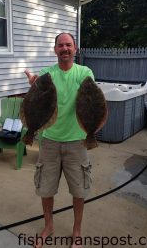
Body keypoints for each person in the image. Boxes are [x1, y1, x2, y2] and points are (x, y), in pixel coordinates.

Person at [24, 32, 94, 248]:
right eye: (60, 45)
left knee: (79, 191)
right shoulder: (46, 74)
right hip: (49, 142)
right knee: (46, 190)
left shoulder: (85, 73)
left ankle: (77, 232)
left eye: (68, 45)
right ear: (55, 49)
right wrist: (34, 87)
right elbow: (36, 104)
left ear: (75, 49)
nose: (64, 49)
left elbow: (92, 103)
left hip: (77, 143)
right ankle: (49, 226)